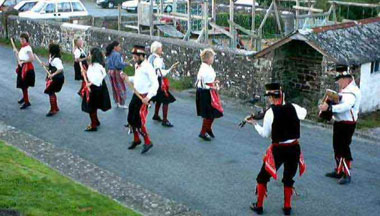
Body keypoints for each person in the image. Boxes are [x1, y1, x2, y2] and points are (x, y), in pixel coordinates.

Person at [246, 83, 307, 215]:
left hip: (278, 150)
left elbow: (265, 134)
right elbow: (304, 113)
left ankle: (259, 206)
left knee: (262, 177)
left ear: (272, 98)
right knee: (289, 177)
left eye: (269, 97)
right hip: (294, 148)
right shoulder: (294, 107)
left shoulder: (270, 113)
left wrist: (255, 124)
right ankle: (287, 207)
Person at [319, 68, 361, 185]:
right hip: (340, 122)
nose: (338, 82)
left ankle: (347, 174)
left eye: (339, 80)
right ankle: (339, 170)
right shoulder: (346, 89)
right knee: (337, 146)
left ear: (346, 79)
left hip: (347, 124)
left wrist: (330, 108)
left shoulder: (352, 91)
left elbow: (346, 106)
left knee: (344, 148)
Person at [121, 45, 158, 154]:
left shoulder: (148, 67)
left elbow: (155, 84)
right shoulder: (138, 65)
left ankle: (147, 142)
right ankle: (136, 139)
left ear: (142, 56)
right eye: (133, 56)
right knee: (131, 117)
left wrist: (148, 97)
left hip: (144, 96)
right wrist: (128, 78)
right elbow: (138, 79)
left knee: (139, 120)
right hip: (136, 95)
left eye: (136, 56)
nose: (134, 58)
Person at [195, 48, 223, 141]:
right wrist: (211, 87)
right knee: (209, 113)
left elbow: (210, 79)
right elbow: (202, 84)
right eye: (212, 57)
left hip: (210, 91)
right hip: (205, 92)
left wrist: (215, 82)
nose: (213, 59)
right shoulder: (203, 69)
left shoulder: (209, 67)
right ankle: (203, 132)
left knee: (213, 112)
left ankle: (208, 129)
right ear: (207, 58)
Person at [81, 47, 112, 131]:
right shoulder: (94, 65)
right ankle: (96, 121)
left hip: (95, 88)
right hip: (95, 87)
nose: (88, 56)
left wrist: (90, 83)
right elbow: (92, 74)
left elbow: (100, 76)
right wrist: (85, 72)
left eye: (90, 54)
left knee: (91, 107)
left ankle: (93, 125)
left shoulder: (97, 66)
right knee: (93, 106)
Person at [148, 41, 178, 127]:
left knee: (158, 98)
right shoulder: (157, 59)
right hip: (159, 80)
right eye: (160, 48)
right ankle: (164, 120)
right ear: (157, 49)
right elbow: (159, 72)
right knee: (166, 99)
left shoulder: (151, 57)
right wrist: (170, 69)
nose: (161, 50)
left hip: (152, 80)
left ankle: (156, 115)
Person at [43, 43, 64, 117]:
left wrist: (53, 74)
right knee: (51, 91)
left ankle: (53, 109)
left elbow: (60, 69)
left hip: (58, 78)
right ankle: (55, 107)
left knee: (50, 91)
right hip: (55, 77)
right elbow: (51, 65)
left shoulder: (57, 59)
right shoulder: (52, 57)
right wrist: (45, 65)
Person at [105, 41, 128, 108]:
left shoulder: (109, 54)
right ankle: (121, 102)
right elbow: (117, 64)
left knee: (114, 87)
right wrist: (125, 64)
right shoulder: (117, 54)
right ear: (115, 47)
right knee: (120, 86)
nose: (120, 48)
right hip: (116, 72)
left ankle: (117, 101)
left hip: (110, 71)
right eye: (119, 46)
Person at [15, 32, 35, 109]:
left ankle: (27, 102)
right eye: (21, 39)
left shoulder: (28, 48)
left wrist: (23, 62)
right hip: (22, 67)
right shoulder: (22, 48)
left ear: (26, 40)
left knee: (24, 85)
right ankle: (24, 97)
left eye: (23, 39)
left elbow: (32, 58)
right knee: (22, 85)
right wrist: (16, 53)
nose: (22, 40)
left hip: (27, 69)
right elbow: (20, 59)